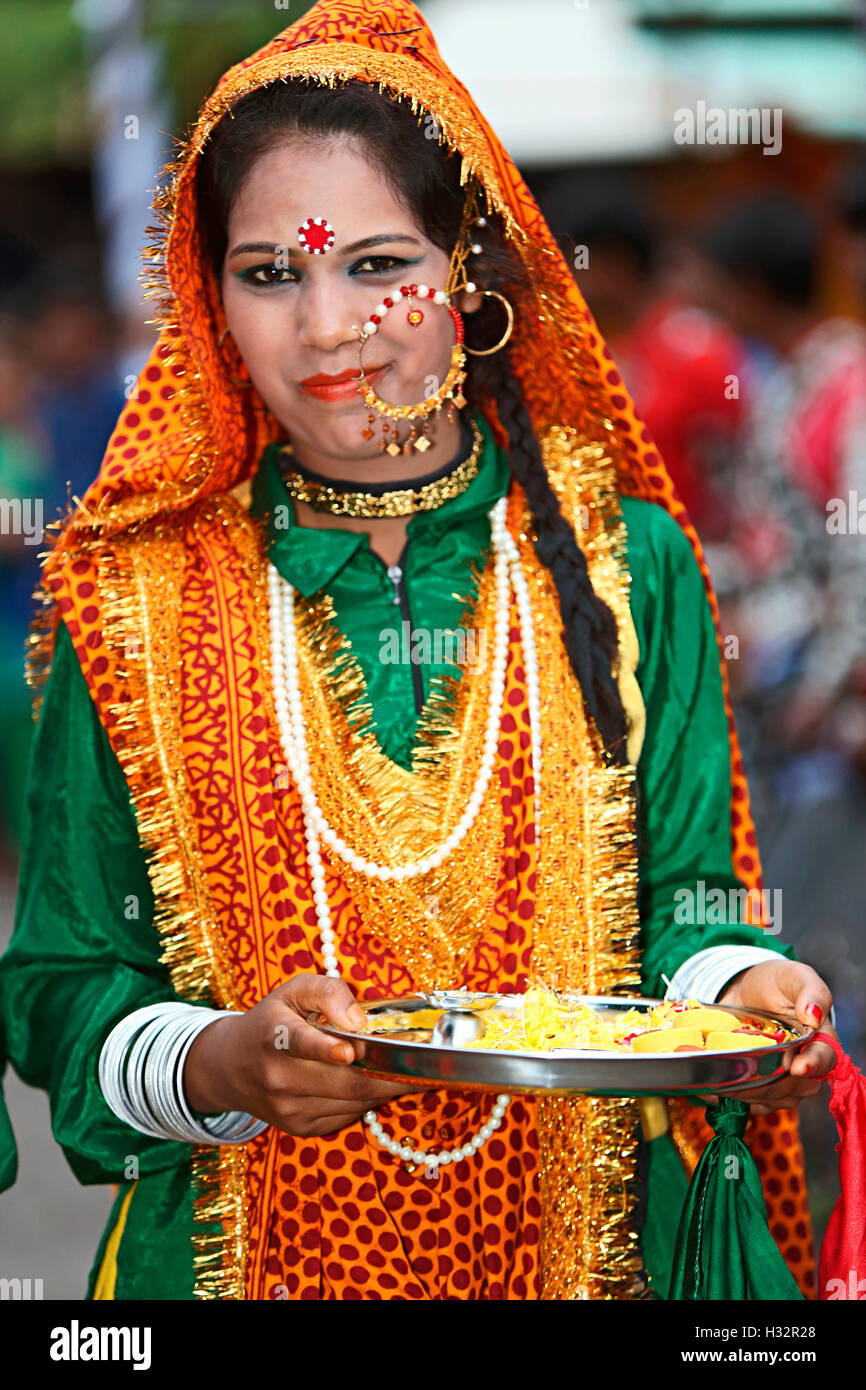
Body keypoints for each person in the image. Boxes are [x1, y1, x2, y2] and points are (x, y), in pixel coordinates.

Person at [0, 0, 835, 1301]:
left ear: (471, 267)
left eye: (377, 263)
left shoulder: (625, 562)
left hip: (591, 1243)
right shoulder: (130, 595)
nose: (328, 324)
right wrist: (220, 1062)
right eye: (270, 272)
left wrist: (747, 980)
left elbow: (687, 904)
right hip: (233, 1258)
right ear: (211, 299)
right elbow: (63, 985)